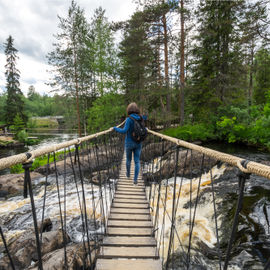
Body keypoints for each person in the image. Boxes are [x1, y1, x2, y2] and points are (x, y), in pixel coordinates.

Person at [113, 102, 146, 185]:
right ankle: (135, 180)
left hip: (129, 143)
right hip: (138, 142)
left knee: (128, 160)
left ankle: (128, 174)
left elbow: (124, 131)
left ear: (128, 110)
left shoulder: (128, 119)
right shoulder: (141, 118)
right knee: (137, 161)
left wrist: (115, 128)